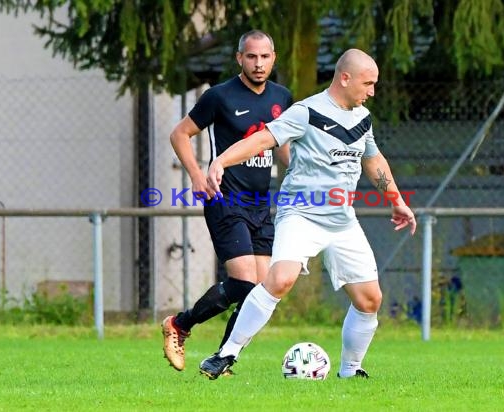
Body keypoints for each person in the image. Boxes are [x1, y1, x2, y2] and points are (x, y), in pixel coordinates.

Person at [199, 48, 416, 380]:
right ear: (345, 78)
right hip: (300, 214)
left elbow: (374, 161)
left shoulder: (362, 117)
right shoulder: (306, 111)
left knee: (370, 299)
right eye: (368, 83)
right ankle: (226, 354)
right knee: (280, 279)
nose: (372, 91)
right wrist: (221, 161)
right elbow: (263, 139)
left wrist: (396, 200)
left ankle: (350, 371)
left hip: (342, 220)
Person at [162, 30, 293, 372]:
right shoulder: (219, 96)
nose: (258, 63)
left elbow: (282, 147)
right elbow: (180, 134)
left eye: (265, 57)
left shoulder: (282, 97)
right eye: (251, 56)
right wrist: (195, 175)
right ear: (239, 59)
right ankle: (180, 324)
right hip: (225, 197)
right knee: (243, 280)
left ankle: (222, 357)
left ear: (273, 58)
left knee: (263, 289)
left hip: (260, 203)